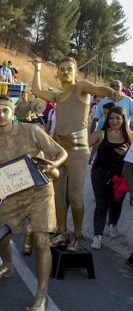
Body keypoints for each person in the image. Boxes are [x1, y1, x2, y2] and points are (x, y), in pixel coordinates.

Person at [0, 96, 67, 311]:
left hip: (40, 193)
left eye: (5, 110)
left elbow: (62, 153)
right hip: (12, 196)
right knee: (0, 238)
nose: (1, 115)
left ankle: (41, 294)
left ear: (12, 111)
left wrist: (54, 164)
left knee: (42, 242)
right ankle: (7, 266)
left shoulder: (31, 130)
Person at [32, 57, 119, 251]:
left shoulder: (81, 87)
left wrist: (112, 92)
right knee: (58, 195)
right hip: (60, 151)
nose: (65, 72)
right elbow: (36, 91)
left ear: (76, 71)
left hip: (79, 151)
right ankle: (62, 232)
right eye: (61, 69)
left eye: (69, 69)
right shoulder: (58, 95)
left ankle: (77, 236)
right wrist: (37, 68)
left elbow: (98, 90)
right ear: (58, 72)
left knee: (76, 196)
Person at [89, 107, 131, 249]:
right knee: (102, 204)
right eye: (112, 118)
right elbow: (82, 146)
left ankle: (113, 225)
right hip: (100, 173)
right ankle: (97, 236)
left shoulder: (129, 136)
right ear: (108, 119)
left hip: (120, 175)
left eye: (118, 118)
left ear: (123, 119)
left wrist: (126, 153)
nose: (114, 121)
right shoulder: (100, 134)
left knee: (117, 202)